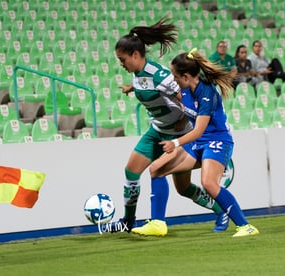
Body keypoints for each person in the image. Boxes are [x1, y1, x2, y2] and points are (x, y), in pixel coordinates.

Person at [105, 19, 229, 235]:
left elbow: (184, 97)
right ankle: (128, 221)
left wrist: (192, 127)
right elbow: (148, 87)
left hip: (177, 134)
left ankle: (221, 211)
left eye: (122, 59)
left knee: (182, 188)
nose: (121, 64)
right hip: (157, 131)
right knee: (131, 171)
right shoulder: (138, 74)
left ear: (135, 55)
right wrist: (132, 89)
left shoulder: (159, 75)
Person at [135, 48, 259, 237]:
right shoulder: (183, 90)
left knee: (209, 183)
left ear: (185, 76)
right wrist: (133, 88)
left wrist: (175, 143)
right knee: (156, 169)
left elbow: (199, 129)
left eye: (175, 76)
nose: (173, 80)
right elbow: (171, 100)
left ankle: (245, 226)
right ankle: (158, 223)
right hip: (198, 142)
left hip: (217, 140)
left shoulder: (207, 92)